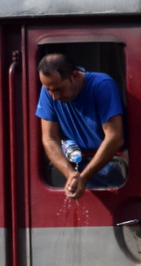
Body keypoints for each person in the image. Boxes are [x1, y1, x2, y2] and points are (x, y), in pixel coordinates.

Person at [36, 53, 127, 200]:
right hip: (74, 165)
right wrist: (70, 174)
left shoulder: (102, 85)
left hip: (111, 166)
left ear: (75, 76)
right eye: (49, 90)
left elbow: (115, 137)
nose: (55, 96)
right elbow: (49, 138)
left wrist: (83, 177)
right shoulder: (49, 92)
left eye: (59, 89)